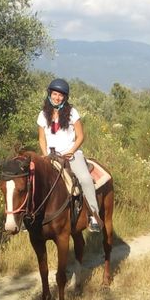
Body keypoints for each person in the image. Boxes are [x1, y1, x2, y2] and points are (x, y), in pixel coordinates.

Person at [37, 78, 102, 233]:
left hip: (70, 154)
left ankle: (94, 215)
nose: (57, 98)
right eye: (54, 94)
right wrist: (45, 155)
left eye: (60, 95)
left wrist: (72, 150)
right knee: (33, 179)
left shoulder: (72, 113)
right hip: (50, 155)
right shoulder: (42, 115)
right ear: (49, 94)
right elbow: (41, 138)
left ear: (65, 97)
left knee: (85, 180)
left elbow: (81, 136)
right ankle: (31, 218)